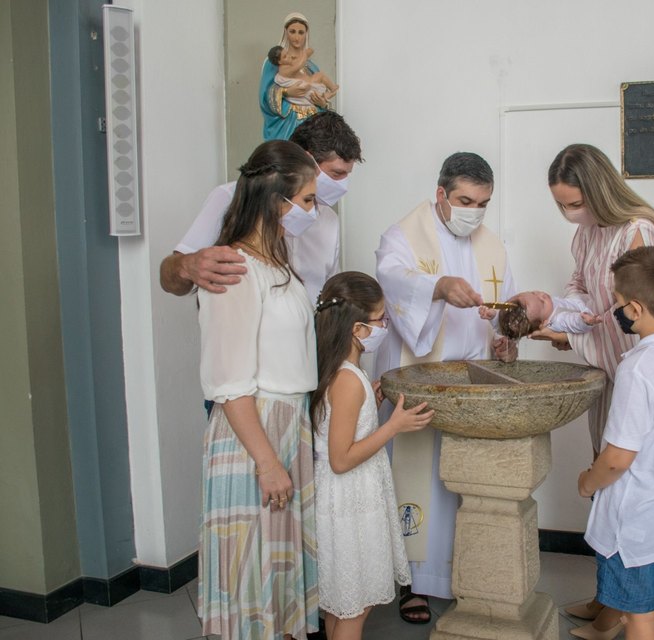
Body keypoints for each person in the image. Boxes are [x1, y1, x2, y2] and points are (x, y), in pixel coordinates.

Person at [373, 151, 517, 623]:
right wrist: (437, 287)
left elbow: (501, 308)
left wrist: (505, 338)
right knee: (418, 480)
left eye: (482, 202)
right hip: (422, 375)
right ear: (441, 194)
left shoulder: (491, 243)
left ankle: (461, 574)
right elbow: (392, 281)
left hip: (470, 381)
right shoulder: (402, 235)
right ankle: (412, 584)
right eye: (464, 200)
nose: (472, 211)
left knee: (461, 482)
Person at [535, 144, 654, 637]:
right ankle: (605, 597)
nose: (571, 214)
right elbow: (579, 286)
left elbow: (642, 311)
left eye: (576, 203)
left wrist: (569, 332)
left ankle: (619, 607)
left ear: (598, 191)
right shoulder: (588, 234)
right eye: (562, 206)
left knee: (620, 492)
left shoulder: (638, 231)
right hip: (607, 370)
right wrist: (565, 314)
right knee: (606, 499)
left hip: (634, 373)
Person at [196, 140, 321, 640]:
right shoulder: (234, 267)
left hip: (289, 422)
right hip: (255, 431)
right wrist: (267, 462)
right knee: (252, 574)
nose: (313, 210)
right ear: (277, 201)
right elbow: (229, 383)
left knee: (281, 573)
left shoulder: (277, 265)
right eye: (308, 200)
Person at [578, 246, 654, 640]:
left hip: (637, 522)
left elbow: (617, 457)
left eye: (617, 303)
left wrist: (588, 481)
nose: (615, 311)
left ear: (634, 308)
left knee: (639, 618)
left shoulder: (638, 368)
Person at [311, 271, 435, 639]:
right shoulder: (348, 380)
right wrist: (392, 427)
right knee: (355, 606)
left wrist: (374, 406)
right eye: (381, 319)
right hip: (349, 503)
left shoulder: (343, 371)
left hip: (347, 499)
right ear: (358, 329)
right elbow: (341, 459)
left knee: (343, 606)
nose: (386, 325)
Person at [159, 110, 361, 304]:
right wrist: (186, 265)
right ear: (307, 160)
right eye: (337, 174)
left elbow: (330, 293)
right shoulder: (231, 198)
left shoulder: (329, 220)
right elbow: (170, 280)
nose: (343, 184)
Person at [260, 13, 328, 141]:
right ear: (286, 32)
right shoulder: (274, 63)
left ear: (306, 34)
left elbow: (322, 94)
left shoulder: (312, 67)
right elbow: (264, 96)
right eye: (292, 31)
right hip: (286, 125)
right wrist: (286, 92)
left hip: (312, 126)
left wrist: (322, 103)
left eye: (301, 32)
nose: (296, 37)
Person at [492, 290, 600, 340]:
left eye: (534, 293)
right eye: (543, 302)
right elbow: (572, 322)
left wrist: (494, 316)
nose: (542, 295)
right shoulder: (556, 321)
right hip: (595, 313)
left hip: (589, 298)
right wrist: (585, 321)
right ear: (543, 324)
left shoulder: (547, 308)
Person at [268, 45, 338, 109]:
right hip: (304, 89)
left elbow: (306, 55)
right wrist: (304, 54)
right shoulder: (284, 69)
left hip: (309, 86)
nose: (289, 56)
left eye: (287, 53)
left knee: (319, 76)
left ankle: (328, 93)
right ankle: (330, 90)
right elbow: (299, 65)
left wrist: (323, 104)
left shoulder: (290, 62)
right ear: (279, 62)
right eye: (285, 56)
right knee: (320, 76)